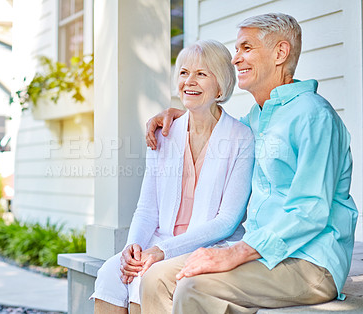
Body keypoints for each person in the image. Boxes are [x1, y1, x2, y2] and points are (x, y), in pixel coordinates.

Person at [141, 13, 358, 313]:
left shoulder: (313, 116)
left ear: (280, 53)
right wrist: (183, 113)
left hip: (308, 262)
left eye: (246, 48)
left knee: (193, 286)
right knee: (155, 278)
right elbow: (218, 128)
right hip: (261, 256)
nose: (235, 58)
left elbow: (310, 209)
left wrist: (236, 253)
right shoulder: (256, 119)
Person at [90, 39, 255, 314]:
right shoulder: (163, 133)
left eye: (201, 74)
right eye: (183, 72)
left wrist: (162, 252)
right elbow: (146, 208)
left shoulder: (241, 137)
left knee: (144, 278)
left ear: (221, 85)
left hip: (207, 246)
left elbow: (227, 221)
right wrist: (134, 247)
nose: (189, 81)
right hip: (158, 242)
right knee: (111, 272)